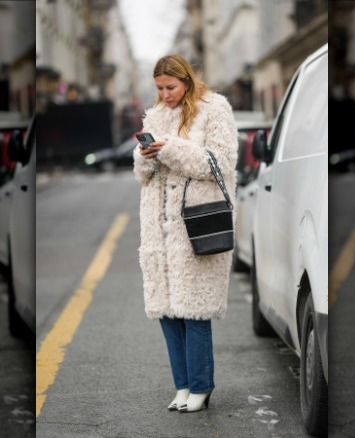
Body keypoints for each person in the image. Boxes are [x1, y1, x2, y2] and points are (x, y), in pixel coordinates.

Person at [133, 55, 238, 413]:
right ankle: (182, 385)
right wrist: (146, 154)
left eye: (171, 87)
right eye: (159, 88)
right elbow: (142, 174)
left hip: (195, 224)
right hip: (158, 228)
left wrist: (171, 149)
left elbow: (220, 163)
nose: (165, 94)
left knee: (194, 309)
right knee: (166, 310)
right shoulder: (156, 113)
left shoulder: (215, 109)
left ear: (187, 81)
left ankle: (201, 386)